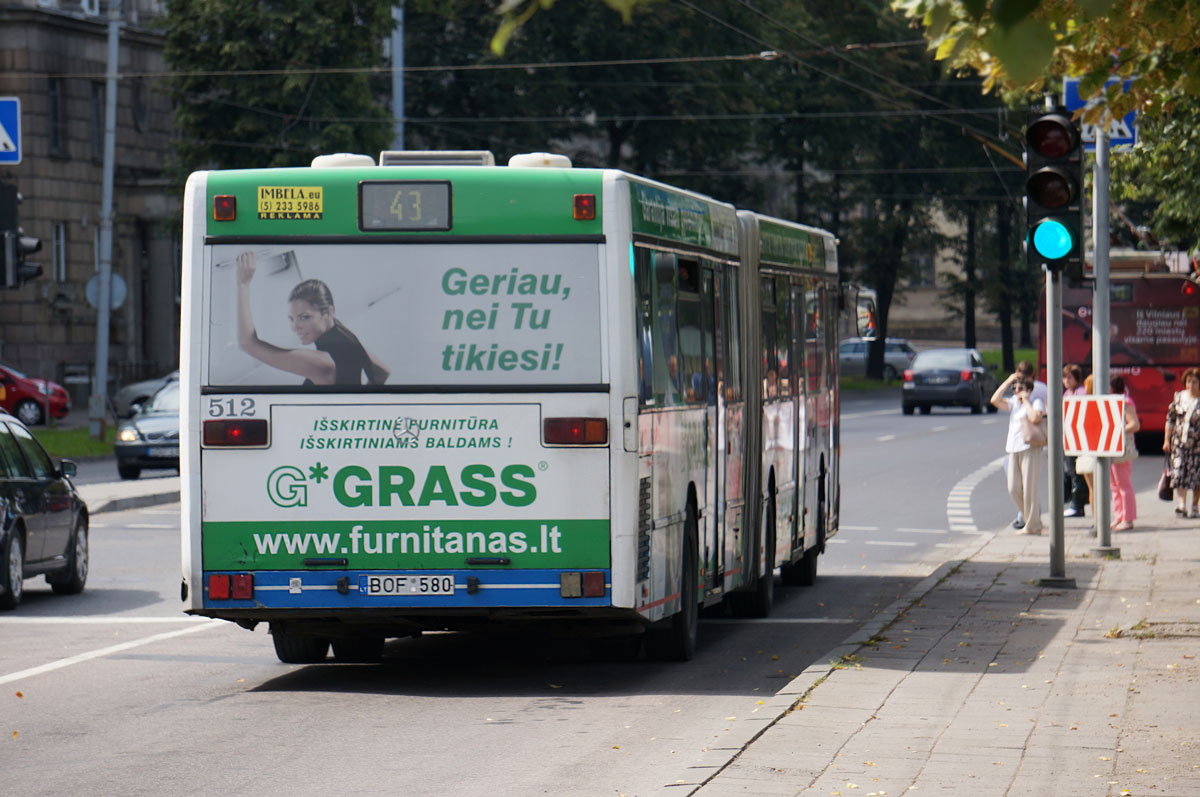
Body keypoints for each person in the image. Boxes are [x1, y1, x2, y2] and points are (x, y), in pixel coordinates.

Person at [236, 251, 389, 386]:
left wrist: (243, 284)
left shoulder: (322, 364)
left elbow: (247, 344)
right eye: (291, 319)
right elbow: (382, 372)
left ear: (329, 312)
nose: (295, 327)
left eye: (304, 317)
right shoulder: (346, 339)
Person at [992, 372, 1046, 535]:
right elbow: (994, 400)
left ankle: (1032, 525)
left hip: (1030, 447)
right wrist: (1008, 381)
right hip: (1013, 447)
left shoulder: (1035, 402)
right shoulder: (1014, 403)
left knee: (1029, 488)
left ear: (1029, 390)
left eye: (1020, 388)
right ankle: (1033, 518)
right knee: (1013, 487)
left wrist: (1027, 400)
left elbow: (1035, 418)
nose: (1016, 391)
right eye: (1014, 388)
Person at [1163, 366, 1200, 517]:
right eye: (1189, 381)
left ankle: (1195, 506)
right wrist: (1167, 440)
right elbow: (1170, 419)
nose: (1191, 385)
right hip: (1179, 443)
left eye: (1194, 382)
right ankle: (1181, 505)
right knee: (1178, 473)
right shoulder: (1178, 397)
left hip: (1197, 446)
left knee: (1197, 476)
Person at [1110, 375, 1140, 531]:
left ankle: (1128, 518)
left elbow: (1134, 424)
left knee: (1123, 484)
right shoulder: (1111, 401)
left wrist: (1116, 432)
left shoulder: (1124, 402)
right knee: (1114, 485)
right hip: (1112, 447)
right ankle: (1119, 516)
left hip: (1122, 448)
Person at [1062, 364, 1089, 517]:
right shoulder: (1068, 393)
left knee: (1077, 472)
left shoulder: (1081, 393)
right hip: (1069, 436)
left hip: (1077, 438)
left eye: (1069, 377)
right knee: (1071, 471)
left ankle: (1077, 504)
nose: (1066, 380)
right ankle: (1075, 503)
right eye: (1064, 377)